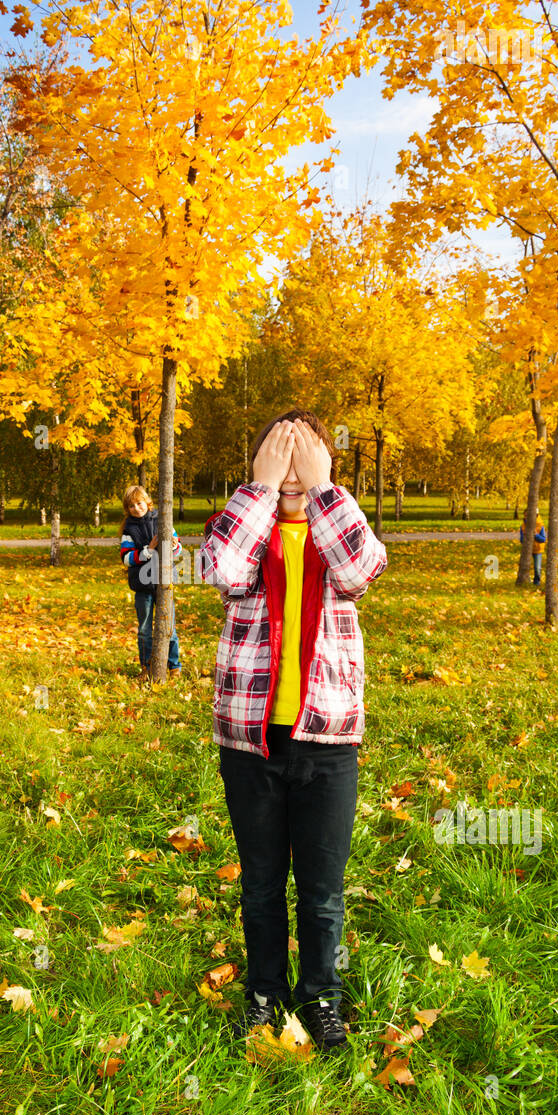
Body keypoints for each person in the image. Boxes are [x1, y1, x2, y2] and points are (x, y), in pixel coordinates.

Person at [198, 410, 388, 1054]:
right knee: (259, 883)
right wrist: (259, 489)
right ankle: (263, 993)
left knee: (322, 889)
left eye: (300, 461)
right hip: (251, 739)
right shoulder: (244, 526)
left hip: (328, 740)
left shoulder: (342, 525)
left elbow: (360, 570)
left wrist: (323, 488)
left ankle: (321, 996)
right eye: (279, 461)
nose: (290, 477)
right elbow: (221, 570)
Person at [119, 485, 183, 679]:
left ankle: (174, 666)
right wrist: (148, 549)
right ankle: (146, 667)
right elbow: (126, 558)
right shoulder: (129, 530)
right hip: (142, 585)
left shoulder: (162, 520)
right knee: (145, 629)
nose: (136, 508)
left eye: (139, 503)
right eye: (131, 506)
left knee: (168, 627)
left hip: (163, 583)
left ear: (147, 502)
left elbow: (177, 548)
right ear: (127, 509)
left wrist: (174, 546)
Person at [519, 512, 546, 585]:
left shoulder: (540, 526)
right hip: (527, 549)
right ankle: (525, 581)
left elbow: (543, 539)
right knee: (525, 566)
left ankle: (537, 582)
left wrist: (536, 535)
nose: (526, 518)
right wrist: (525, 536)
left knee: (537, 568)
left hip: (537, 549)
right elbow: (521, 540)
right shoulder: (523, 526)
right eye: (525, 516)